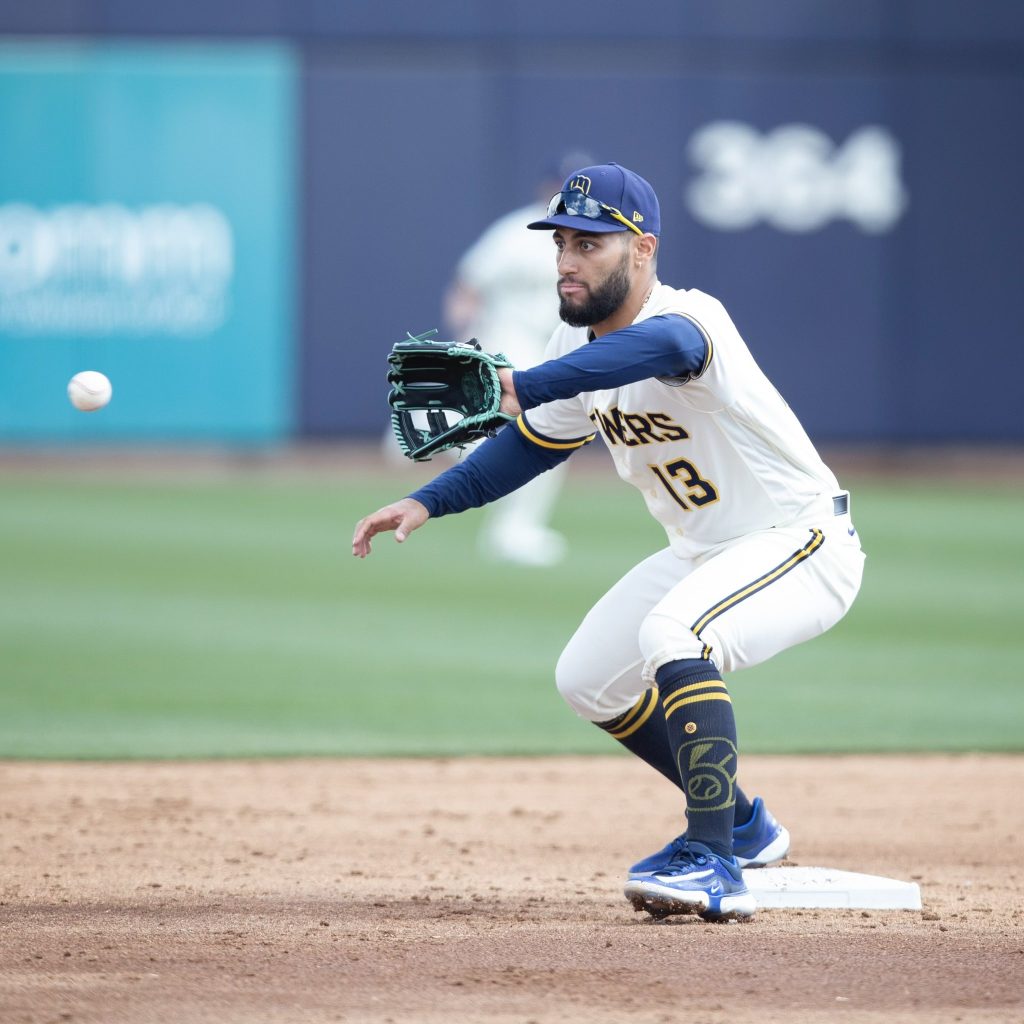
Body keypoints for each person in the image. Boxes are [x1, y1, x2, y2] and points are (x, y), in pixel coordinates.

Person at [353, 162, 865, 921]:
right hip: (707, 549)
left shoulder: (692, 323)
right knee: (588, 678)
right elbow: (529, 445)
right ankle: (748, 827)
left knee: (674, 633)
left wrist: (522, 380)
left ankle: (712, 856)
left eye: (591, 243)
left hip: (802, 541)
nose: (568, 259)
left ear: (644, 248)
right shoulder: (576, 352)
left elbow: (645, 353)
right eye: (561, 241)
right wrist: (428, 501)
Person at [440, 155, 590, 567]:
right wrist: (463, 344)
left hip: (558, 342)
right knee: (530, 424)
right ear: (546, 189)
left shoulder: (596, 239)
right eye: (564, 186)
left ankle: (517, 525)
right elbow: (467, 284)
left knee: (556, 430)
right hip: (509, 336)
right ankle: (510, 524)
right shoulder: (517, 232)